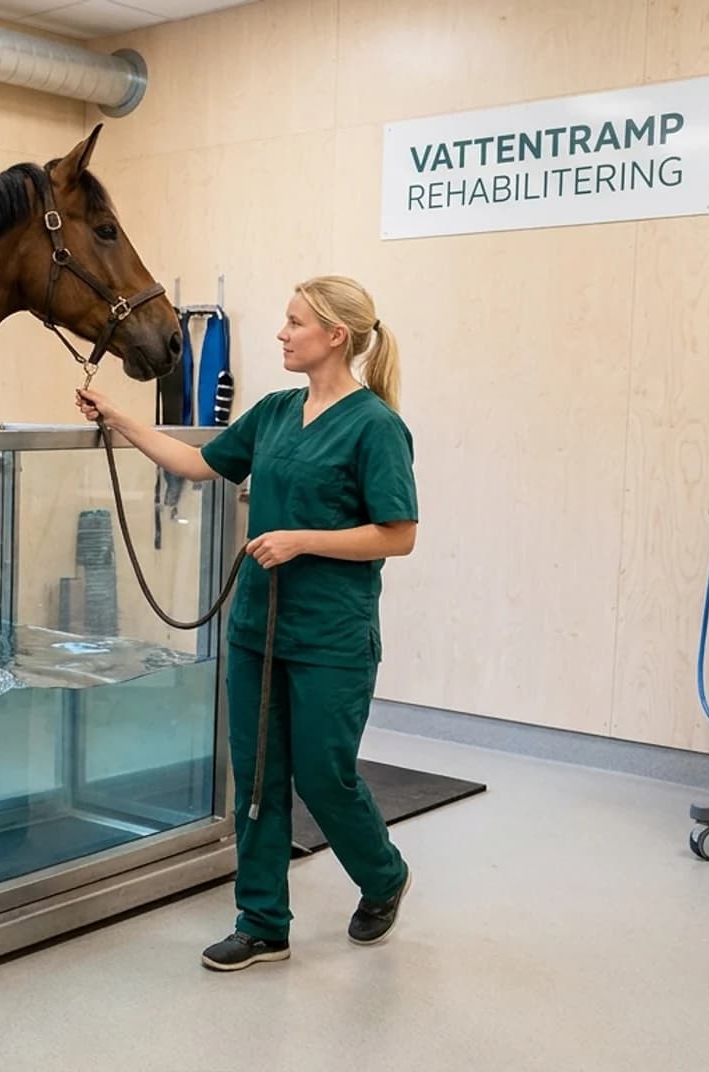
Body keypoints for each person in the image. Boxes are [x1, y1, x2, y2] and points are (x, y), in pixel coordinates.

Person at [75, 275, 419, 972]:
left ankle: (383, 876)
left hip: (331, 638)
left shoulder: (377, 427)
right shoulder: (272, 413)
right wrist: (118, 417)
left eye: (294, 323)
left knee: (324, 777)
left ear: (335, 337)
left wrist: (302, 540)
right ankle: (262, 922)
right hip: (258, 628)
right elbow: (198, 464)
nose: (282, 334)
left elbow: (397, 534)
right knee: (258, 778)